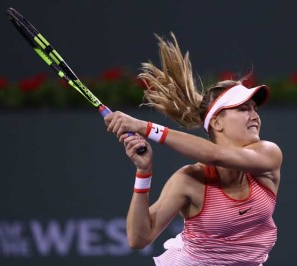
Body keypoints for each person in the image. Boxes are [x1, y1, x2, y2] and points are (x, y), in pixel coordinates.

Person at [104, 33, 282, 265]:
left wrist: (143, 127)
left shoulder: (268, 155)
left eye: (254, 108)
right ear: (217, 123)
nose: (254, 116)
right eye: (243, 109)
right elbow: (138, 239)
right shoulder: (189, 181)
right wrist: (143, 172)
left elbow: (215, 155)